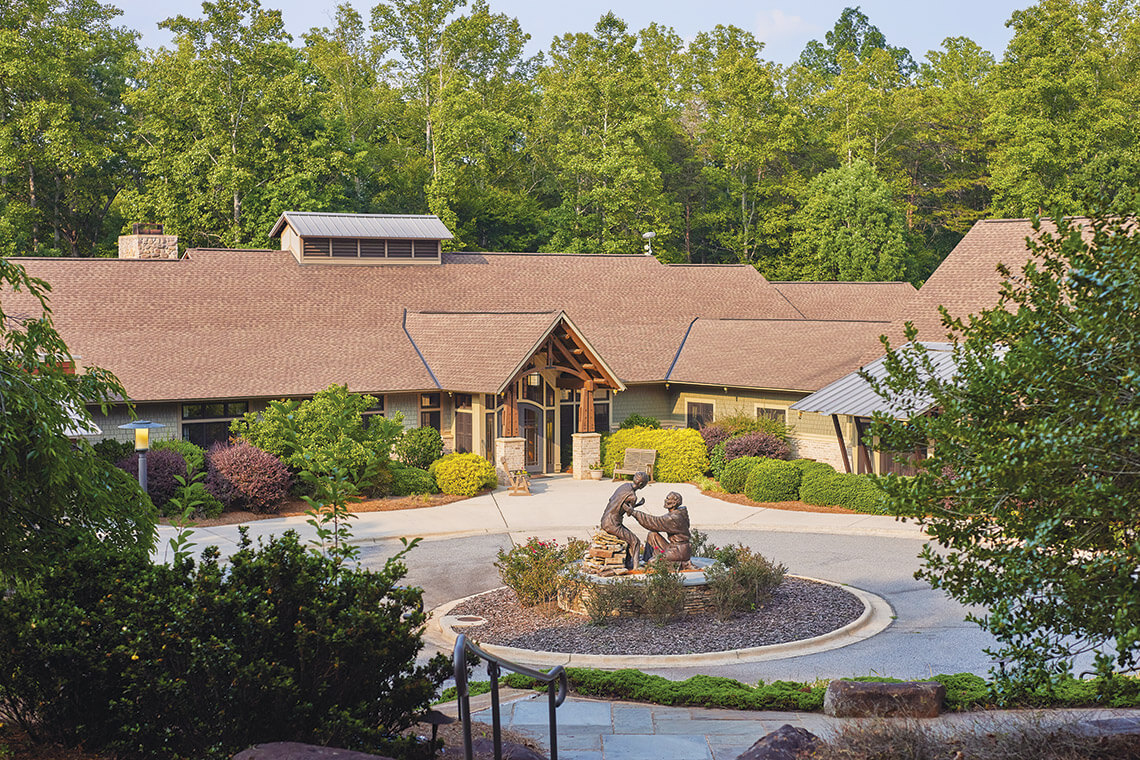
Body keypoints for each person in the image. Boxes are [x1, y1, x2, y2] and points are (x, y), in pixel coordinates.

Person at [600, 471, 648, 569]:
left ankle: (628, 563)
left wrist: (636, 505)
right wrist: (637, 505)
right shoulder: (632, 497)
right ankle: (635, 567)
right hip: (613, 524)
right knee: (635, 541)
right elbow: (629, 512)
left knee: (629, 539)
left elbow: (615, 501)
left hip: (605, 518)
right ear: (641, 484)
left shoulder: (624, 486)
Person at [629, 491, 691, 565]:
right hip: (672, 547)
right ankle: (645, 560)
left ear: (674, 503)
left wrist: (634, 513)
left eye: (668, 499)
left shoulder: (674, 518)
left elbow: (654, 522)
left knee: (653, 562)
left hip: (680, 551)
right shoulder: (676, 513)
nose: (665, 500)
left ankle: (650, 563)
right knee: (652, 535)